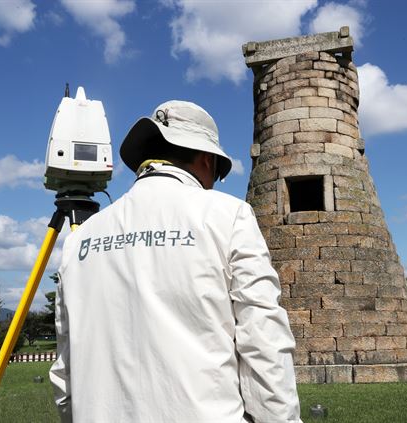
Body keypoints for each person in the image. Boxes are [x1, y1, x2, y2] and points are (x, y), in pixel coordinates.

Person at [49, 100, 302, 422]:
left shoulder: (80, 237)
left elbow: (64, 366)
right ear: (206, 159)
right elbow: (264, 341)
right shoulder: (228, 215)